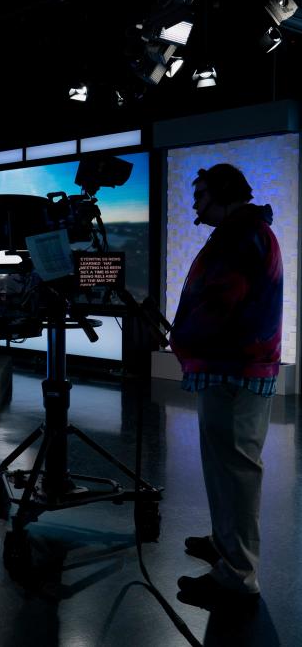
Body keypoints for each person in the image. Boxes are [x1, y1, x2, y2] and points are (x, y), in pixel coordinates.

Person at [169, 164, 282, 611]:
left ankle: (237, 575)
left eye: (200, 194)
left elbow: (218, 304)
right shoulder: (242, 232)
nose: (195, 203)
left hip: (235, 370)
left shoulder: (240, 236)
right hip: (231, 368)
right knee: (224, 465)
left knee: (234, 471)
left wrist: (180, 338)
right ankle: (224, 543)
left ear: (222, 194)